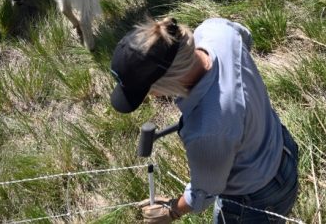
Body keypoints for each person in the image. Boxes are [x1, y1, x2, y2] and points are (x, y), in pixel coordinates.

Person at [110, 17, 299, 223]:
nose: (150, 96)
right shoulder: (215, 31)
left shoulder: (207, 130)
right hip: (281, 145)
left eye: (147, 91)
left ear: (170, 80)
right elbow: (245, 37)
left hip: (256, 198)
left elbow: (205, 192)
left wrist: (172, 210)